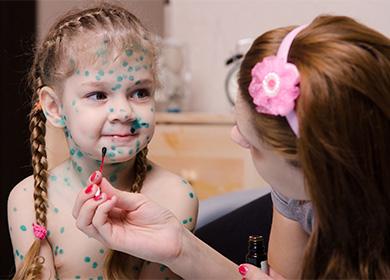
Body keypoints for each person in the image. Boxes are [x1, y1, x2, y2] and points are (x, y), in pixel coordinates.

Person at [73, 14, 390, 279]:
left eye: (252, 143)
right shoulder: (296, 195)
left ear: (316, 172)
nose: (236, 138)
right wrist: (179, 246)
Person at [7, 3, 198, 280]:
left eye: (140, 92)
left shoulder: (175, 196)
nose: (124, 112)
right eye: (98, 95)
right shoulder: (28, 200)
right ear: (54, 107)